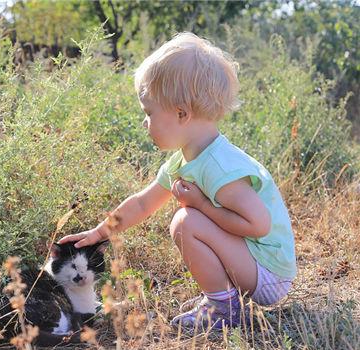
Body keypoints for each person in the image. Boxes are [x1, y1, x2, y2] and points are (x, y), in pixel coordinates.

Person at [58, 32, 296, 330]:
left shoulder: (219, 166)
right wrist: (99, 232)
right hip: (253, 264)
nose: (145, 122)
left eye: (149, 112)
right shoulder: (185, 160)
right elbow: (144, 202)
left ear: (181, 113)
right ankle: (223, 298)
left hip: (269, 273)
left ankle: (225, 308)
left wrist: (200, 205)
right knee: (188, 219)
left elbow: (258, 225)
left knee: (186, 221)